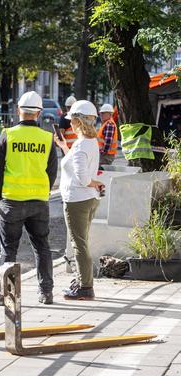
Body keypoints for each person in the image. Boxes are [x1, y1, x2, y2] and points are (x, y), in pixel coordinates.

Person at [0, 91, 58, 306]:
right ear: (39, 113)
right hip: (38, 201)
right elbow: (52, 171)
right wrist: (43, 191)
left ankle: (3, 293)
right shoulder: (46, 138)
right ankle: (46, 293)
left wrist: (1, 195)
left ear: (19, 111)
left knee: (8, 250)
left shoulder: (9, 134)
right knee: (42, 247)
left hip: (12, 200)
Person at [54, 100, 105, 300]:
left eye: (72, 121)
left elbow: (83, 178)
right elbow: (78, 165)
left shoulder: (82, 144)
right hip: (88, 199)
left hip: (77, 200)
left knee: (79, 244)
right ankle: (82, 281)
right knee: (81, 242)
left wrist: (96, 183)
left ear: (77, 121)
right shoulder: (89, 142)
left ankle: (85, 287)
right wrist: (65, 147)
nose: (70, 125)